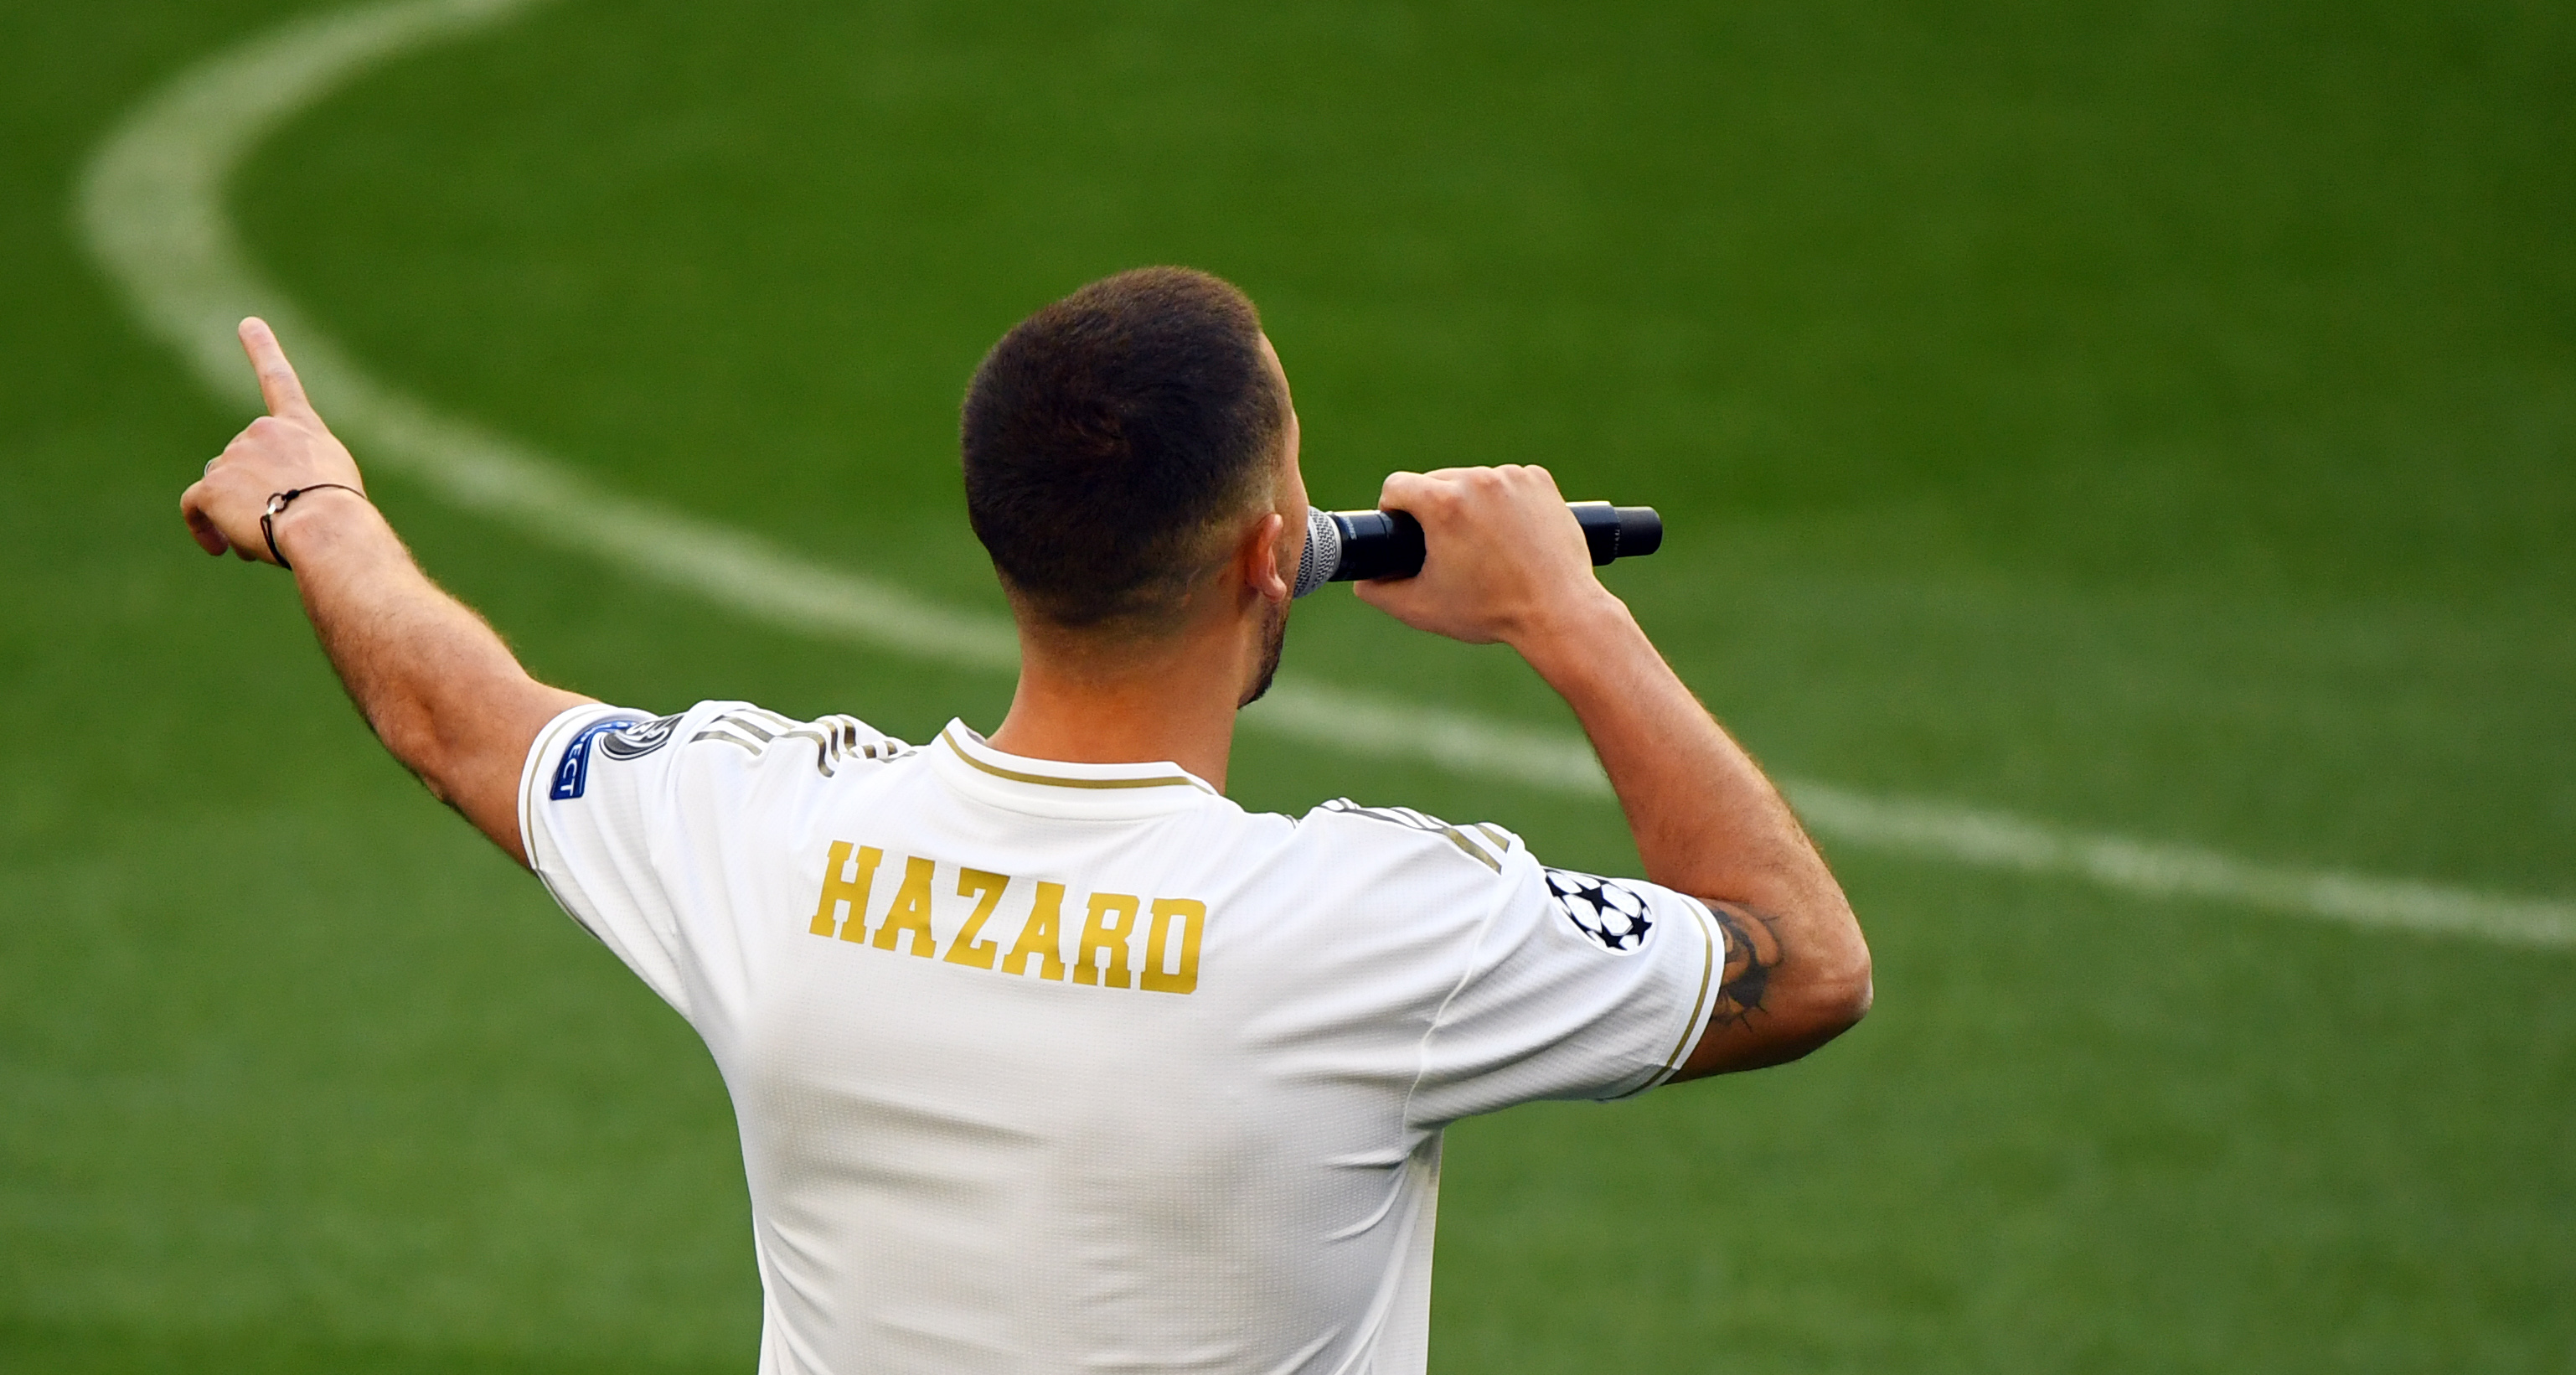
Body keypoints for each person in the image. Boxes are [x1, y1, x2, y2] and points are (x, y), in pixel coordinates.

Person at [181, 267, 1870, 1375]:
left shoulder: (768, 832)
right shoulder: (1380, 926)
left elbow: (459, 718)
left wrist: (316, 506)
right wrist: (1569, 616)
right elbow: (1798, 963)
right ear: (1267, 556)